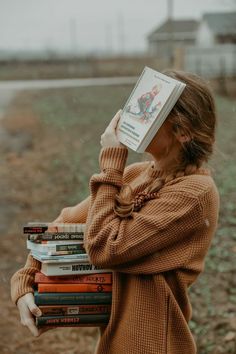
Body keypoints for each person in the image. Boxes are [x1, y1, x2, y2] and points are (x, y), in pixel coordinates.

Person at [11, 70, 219, 354]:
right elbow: (62, 225)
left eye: (150, 114)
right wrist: (24, 281)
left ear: (183, 132)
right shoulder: (136, 174)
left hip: (155, 345)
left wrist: (111, 165)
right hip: (115, 340)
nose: (136, 120)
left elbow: (105, 248)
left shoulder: (195, 193)